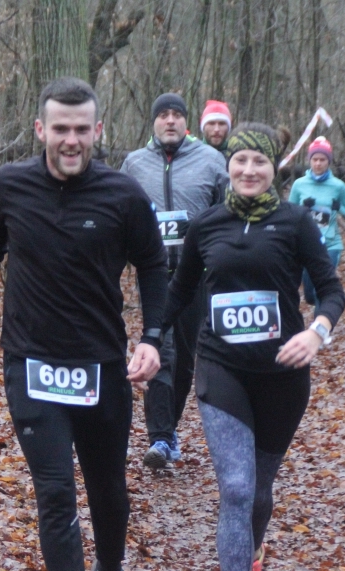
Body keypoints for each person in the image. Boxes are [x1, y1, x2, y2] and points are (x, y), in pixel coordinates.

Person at [0, 77, 167, 571]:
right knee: (55, 492)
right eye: (60, 128)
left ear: (98, 131)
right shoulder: (6, 187)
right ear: (41, 129)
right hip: (31, 362)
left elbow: (153, 264)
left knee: (108, 491)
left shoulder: (123, 195)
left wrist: (152, 338)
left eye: (81, 129)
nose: (71, 140)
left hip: (101, 365)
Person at [162, 123, 345, 571]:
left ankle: (251, 551)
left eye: (258, 162)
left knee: (260, 494)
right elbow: (178, 292)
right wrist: (149, 340)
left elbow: (330, 290)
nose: (248, 170)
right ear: (228, 167)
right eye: (240, 160)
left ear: (274, 169)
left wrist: (316, 333)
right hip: (221, 369)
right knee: (237, 489)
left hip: (282, 378)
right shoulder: (206, 225)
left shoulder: (294, 223)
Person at [121, 93, 227, 470]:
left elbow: (226, 214)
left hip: (195, 276)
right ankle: (161, 438)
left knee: (183, 361)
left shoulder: (211, 161)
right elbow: (120, 214)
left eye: (176, 115)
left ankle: (169, 430)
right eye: (163, 114)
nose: (170, 121)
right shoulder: (134, 164)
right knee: (160, 351)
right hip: (153, 276)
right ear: (153, 122)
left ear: (187, 122)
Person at [288, 137, 345, 307]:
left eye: (322, 160)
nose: (318, 163)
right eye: (315, 159)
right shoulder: (299, 185)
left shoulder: (338, 186)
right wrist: (303, 208)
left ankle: (321, 324)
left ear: (329, 161)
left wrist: (339, 208)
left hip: (331, 245)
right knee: (310, 295)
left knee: (321, 291)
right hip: (306, 246)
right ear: (309, 160)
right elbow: (288, 215)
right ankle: (313, 299)